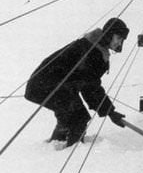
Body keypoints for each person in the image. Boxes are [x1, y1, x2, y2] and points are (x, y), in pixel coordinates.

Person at [25, 17, 129, 148]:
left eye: (122, 40)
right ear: (109, 33)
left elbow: (88, 85)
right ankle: (70, 153)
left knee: (68, 114)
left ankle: (55, 146)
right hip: (45, 85)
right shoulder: (93, 52)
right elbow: (90, 88)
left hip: (43, 85)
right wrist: (110, 112)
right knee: (79, 118)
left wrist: (109, 111)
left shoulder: (93, 46)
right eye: (118, 38)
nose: (120, 43)